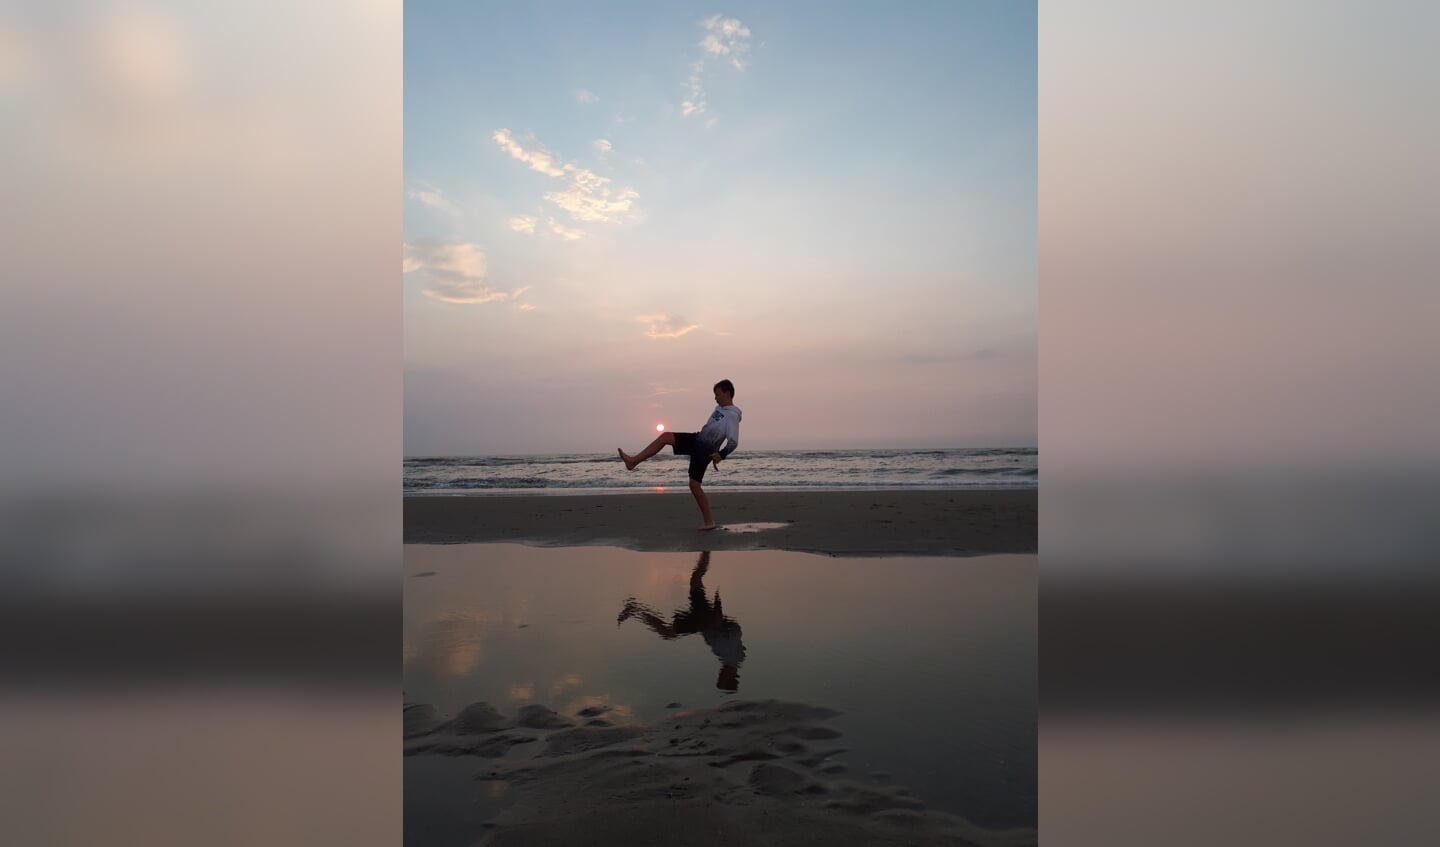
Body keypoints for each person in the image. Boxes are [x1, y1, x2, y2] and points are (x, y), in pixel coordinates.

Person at [618, 379, 741, 530]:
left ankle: (709, 522)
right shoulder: (719, 408)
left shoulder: (732, 417)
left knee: (694, 485)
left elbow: (733, 442)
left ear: (727, 393)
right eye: (714, 395)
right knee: (665, 437)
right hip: (697, 439)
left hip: (704, 451)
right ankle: (633, 461)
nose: (715, 398)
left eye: (717, 394)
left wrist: (720, 455)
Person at [617, 551, 746, 692]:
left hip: (701, 623)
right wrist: (719, 624)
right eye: (722, 677)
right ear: (730, 676)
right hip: (704, 620)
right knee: (694, 582)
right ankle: (634, 608)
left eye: (719, 677)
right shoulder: (735, 657)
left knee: (695, 581)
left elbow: (732, 633)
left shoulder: (728, 659)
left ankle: (634, 609)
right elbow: (735, 630)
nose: (719, 674)